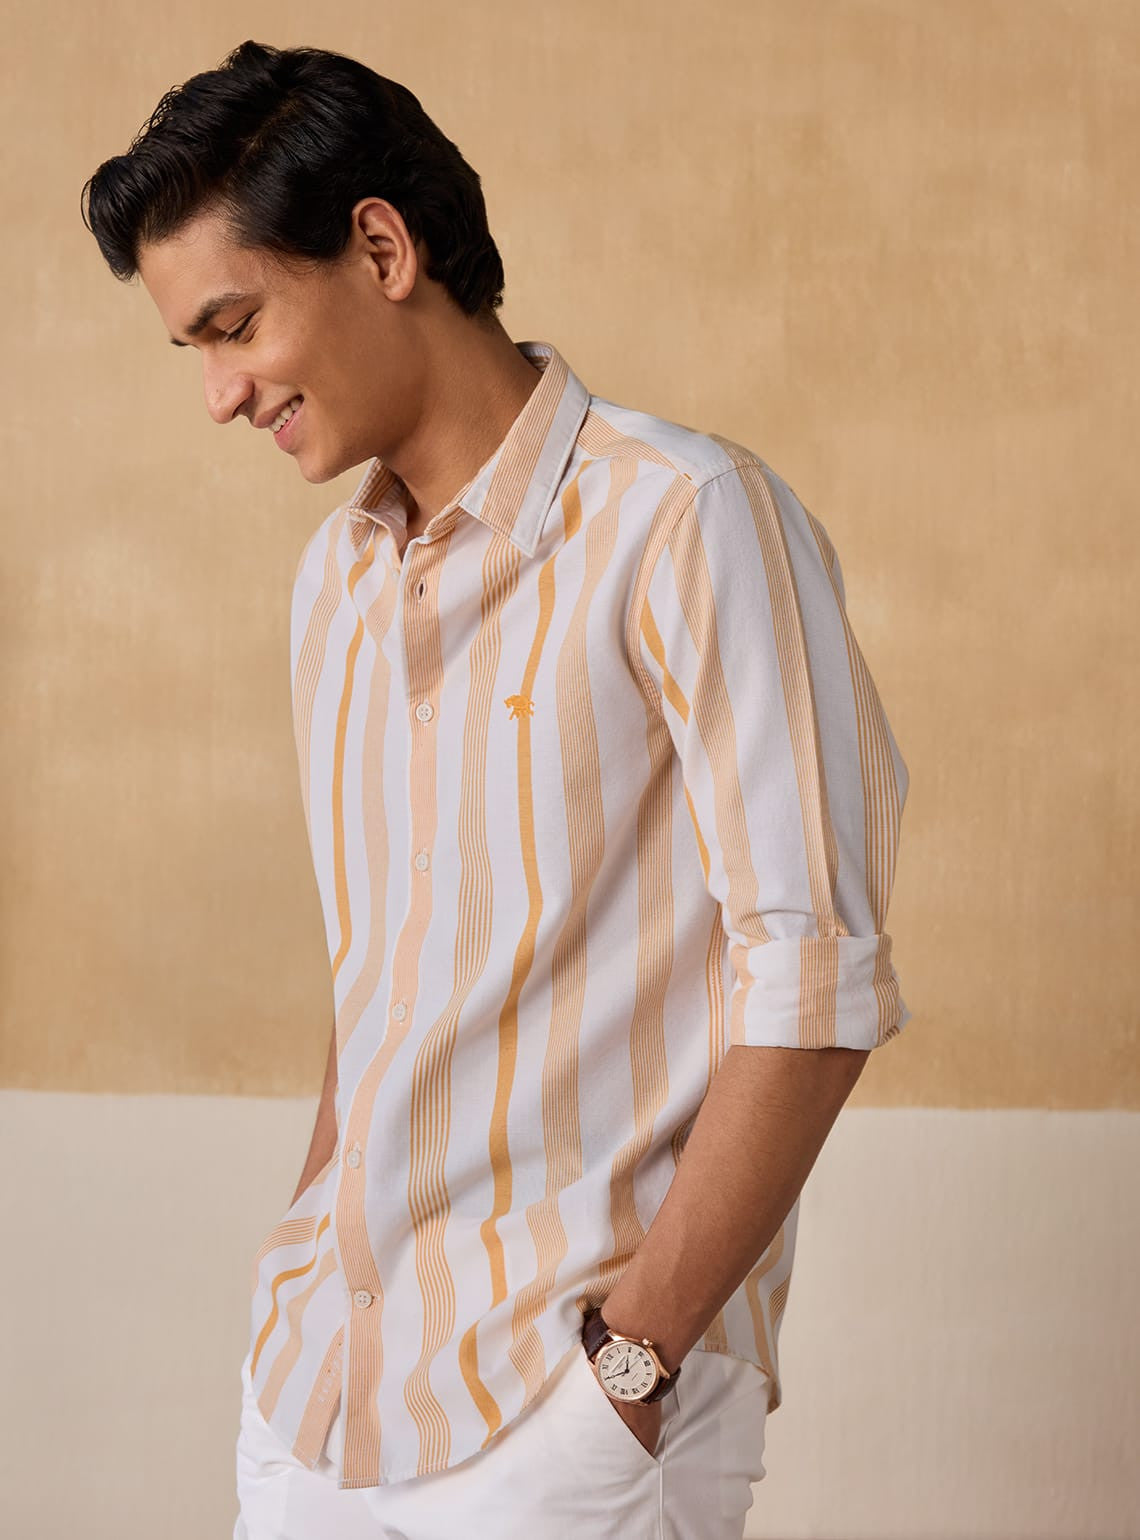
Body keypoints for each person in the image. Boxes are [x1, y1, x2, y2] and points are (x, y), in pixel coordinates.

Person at [82, 38, 913, 1540]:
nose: (217, 395)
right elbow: (380, 985)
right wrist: (294, 1283)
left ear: (380, 248)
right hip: (322, 1405)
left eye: (234, 326)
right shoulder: (335, 586)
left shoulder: (686, 521)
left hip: (563, 1414)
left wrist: (631, 1367)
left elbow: (815, 977)